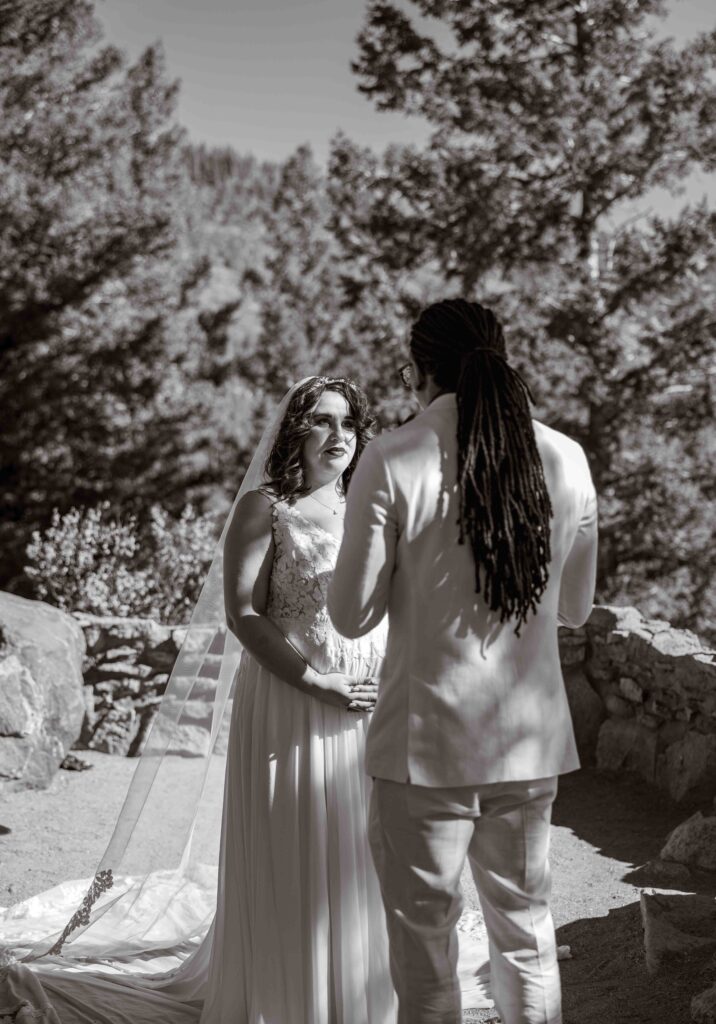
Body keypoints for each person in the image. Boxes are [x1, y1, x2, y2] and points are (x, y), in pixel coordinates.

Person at [0, 375, 490, 1024]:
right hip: (293, 702)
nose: (338, 435)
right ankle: (291, 997)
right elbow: (243, 613)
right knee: (296, 852)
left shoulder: (370, 504)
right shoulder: (265, 508)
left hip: (373, 706)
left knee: (366, 855)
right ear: (295, 430)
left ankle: (361, 991)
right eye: (321, 421)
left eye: (347, 423)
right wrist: (320, 683)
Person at [328, 300, 599, 1024]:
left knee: (426, 951)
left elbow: (352, 615)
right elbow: (575, 609)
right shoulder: (566, 457)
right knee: (527, 934)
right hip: (529, 743)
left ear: (419, 370)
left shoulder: (391, 456)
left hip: (424, 749)